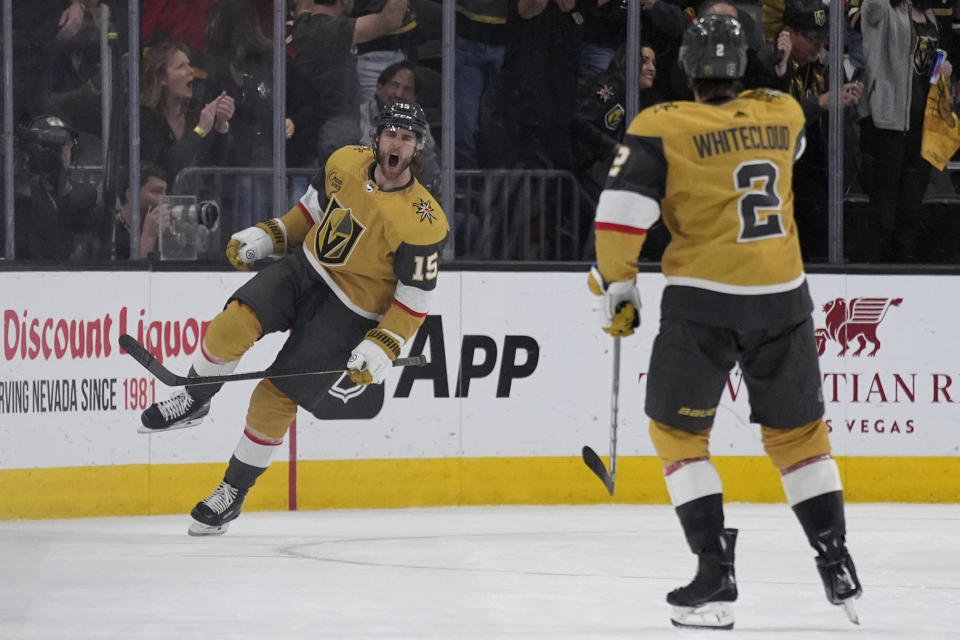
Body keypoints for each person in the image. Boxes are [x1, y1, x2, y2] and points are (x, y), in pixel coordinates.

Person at [587, 15, 862, 629]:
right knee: (798, 437)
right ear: (742, 66)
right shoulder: (784, 111)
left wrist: (620, 284)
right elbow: (793, 146)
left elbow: (620, 216)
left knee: (678, 436)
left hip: (703, 301)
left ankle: (714, 570)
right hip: (782, 295)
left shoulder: (661, 126)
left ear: (686, 67)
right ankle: (835, 557)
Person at [138, 101, 448, 536]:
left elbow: (414, 298)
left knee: (274, 397)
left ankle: (231, 493)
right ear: (376, 138)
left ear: (417, 150)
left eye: (407, 137)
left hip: (351, 312)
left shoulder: (425, 221)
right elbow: (311, 214)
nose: (397, 143)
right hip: (305, 269)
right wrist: (270, 237)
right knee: (232, 323)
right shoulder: (344, 161)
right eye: (392, 133)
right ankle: (194, 397)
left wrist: (385, 343)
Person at [757, 0, 864, 261]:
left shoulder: (827, 63)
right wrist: (783, 73)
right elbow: (769, 119)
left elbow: (843, 121)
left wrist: (847, 102)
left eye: (822, 38)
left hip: (817, 171)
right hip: (775, 176)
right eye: (811, 38)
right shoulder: (765, 62)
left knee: (819, 244)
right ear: (789, 33)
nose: (818, 44)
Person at [857, 0, 953, 262]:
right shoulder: (881, 9)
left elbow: (925, 64)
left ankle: (906, 262)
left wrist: (942, 69)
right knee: (884, 203)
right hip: (886, 121)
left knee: (912, 202)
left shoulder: (930, 15)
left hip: (922, 121)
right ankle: (877, 265)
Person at [139, 40, 236, 186]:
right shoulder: (144, 118)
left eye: (189, 64)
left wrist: (221, 124)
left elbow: (215, 164)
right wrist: (200, 130)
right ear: (162, 78)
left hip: (198, 201)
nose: (191, 71)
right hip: (158, 204)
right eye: (181, 67)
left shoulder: (194, 115)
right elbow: (168, 168)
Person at [11, 114, 99, 260]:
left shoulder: (83, 195)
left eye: (65, 146)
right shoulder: (18, 193)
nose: (63, 153)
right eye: (48, 148)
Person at [358, 61, 440, 193]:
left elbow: (429, 167)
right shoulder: (358, 117)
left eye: (407, 89)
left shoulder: (421, 125)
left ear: (414, 97)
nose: (399, 94)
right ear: (379, 87)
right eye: (394, 85)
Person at [110, 163, 170, 260]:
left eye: (165, 192)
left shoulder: (165, 232)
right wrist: (149, 237)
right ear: (131, 194)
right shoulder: (110, 235)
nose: (166, 199)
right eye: (156, 192)